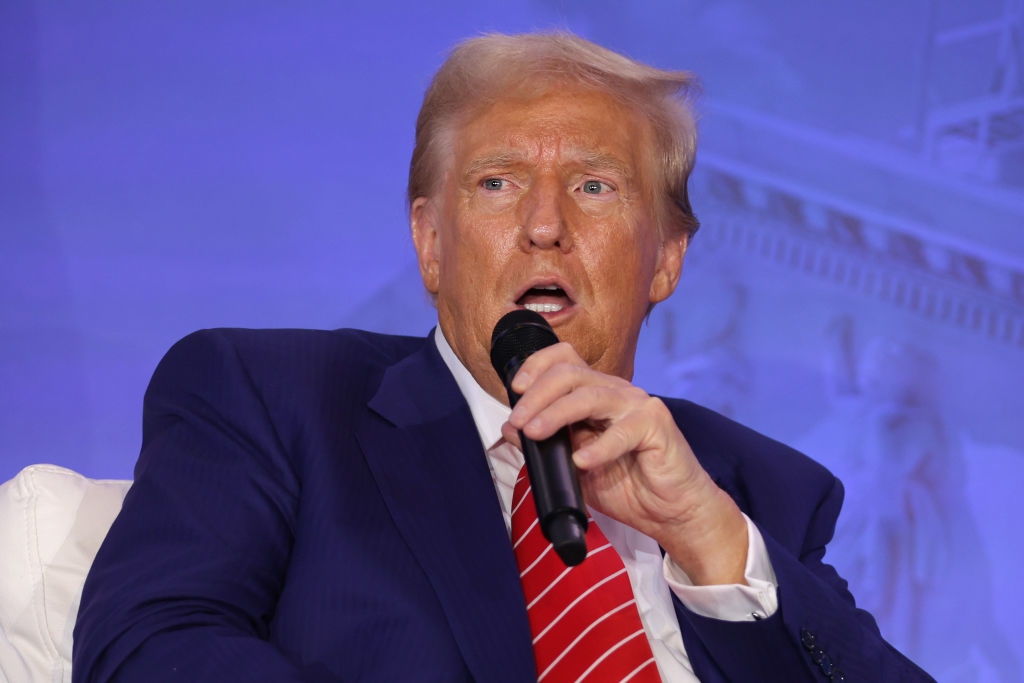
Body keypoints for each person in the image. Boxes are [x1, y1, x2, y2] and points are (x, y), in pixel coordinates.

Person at [73, 32, 933, 682]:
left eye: (594, 185)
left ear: (667, 258)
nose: (544, 224)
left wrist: (710, 537)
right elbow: (148, 647)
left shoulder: (756, 489)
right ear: (430, 242)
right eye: (498, 182)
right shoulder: (273, 399)